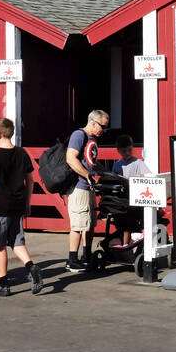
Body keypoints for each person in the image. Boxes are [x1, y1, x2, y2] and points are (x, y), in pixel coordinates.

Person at [0, 117, 43, 297]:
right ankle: (31, 267)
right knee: (17, 241)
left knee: (0, 246)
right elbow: (30, 180)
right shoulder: (22, 153)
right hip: (17, 204)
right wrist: (27, 202)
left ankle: (3, 284)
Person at [64, 109, 108, 271]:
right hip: (79, 186)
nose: (104, 130)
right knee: (78, 223)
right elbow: (70, 158)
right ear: (93, 123)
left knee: (89, 223)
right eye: (103, 126)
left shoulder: (92, 139)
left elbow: (91, 161)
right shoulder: (78, 135)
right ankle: (72, 259)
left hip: (89, 186)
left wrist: (106, 174)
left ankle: (86, 255)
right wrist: (87, 175)